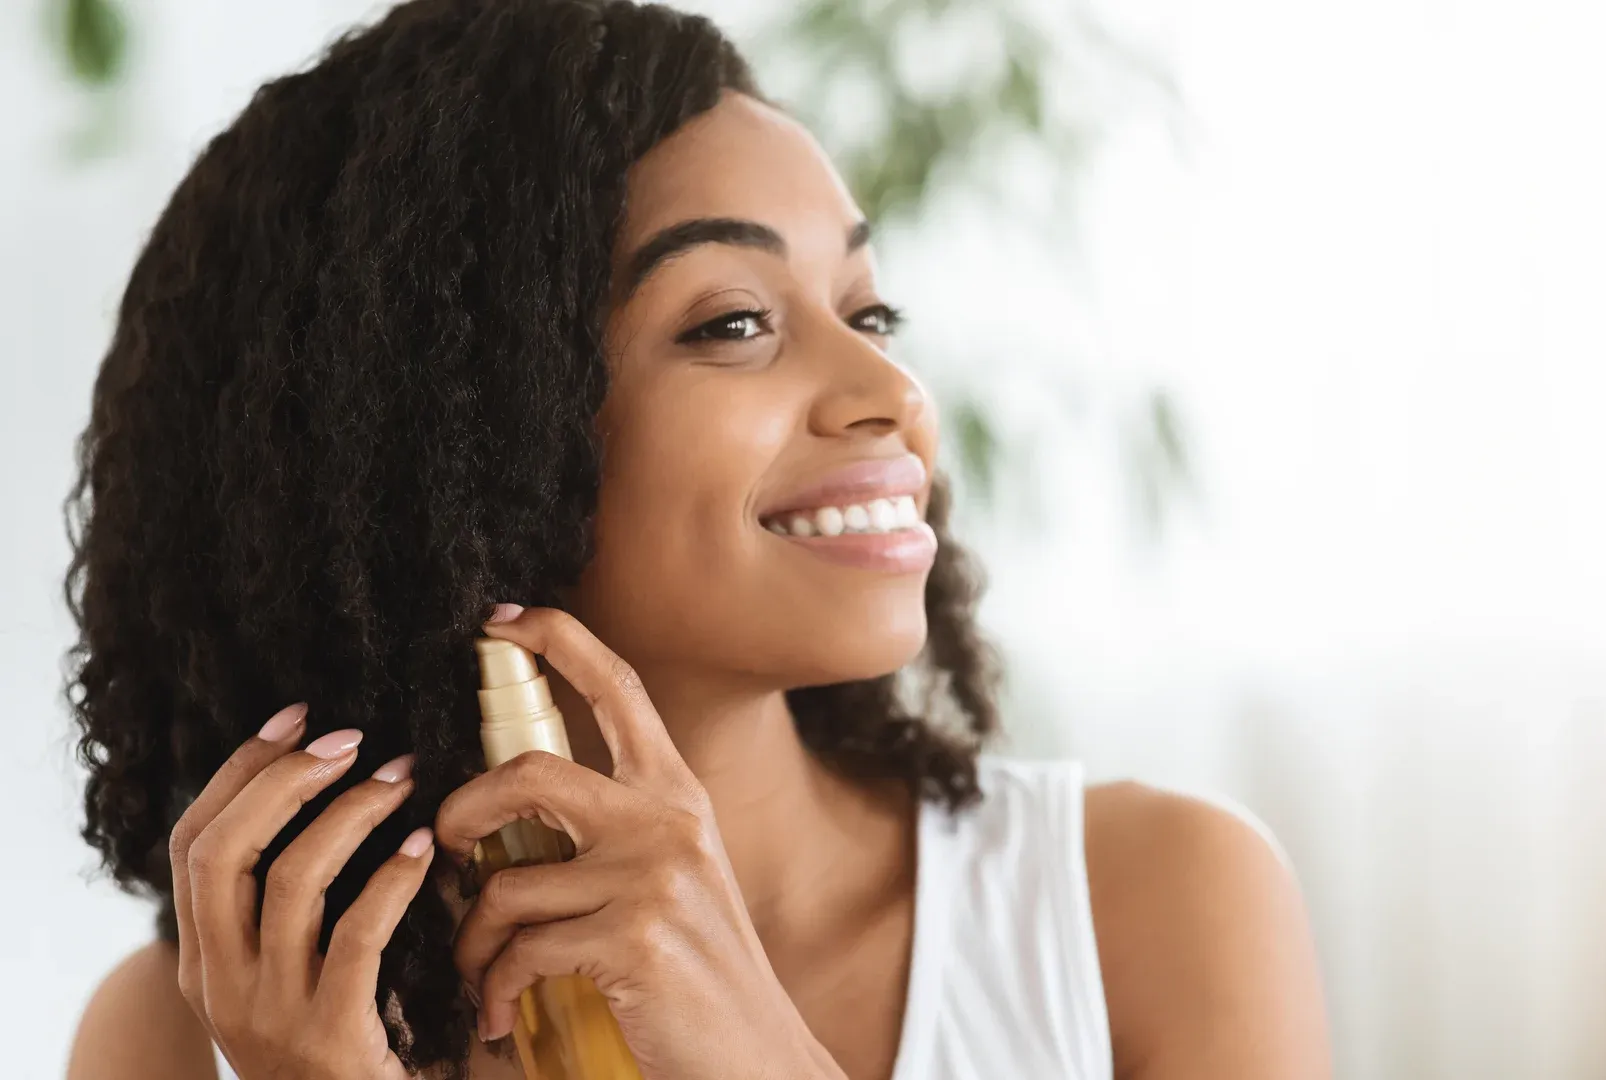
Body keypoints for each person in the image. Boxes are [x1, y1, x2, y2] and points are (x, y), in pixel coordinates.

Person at [60, 2, 1330, 1077]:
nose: (892, 394)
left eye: (867, 309)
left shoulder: (1152, 903)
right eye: (733, 323)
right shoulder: (183, 1034)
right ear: (446, 437)